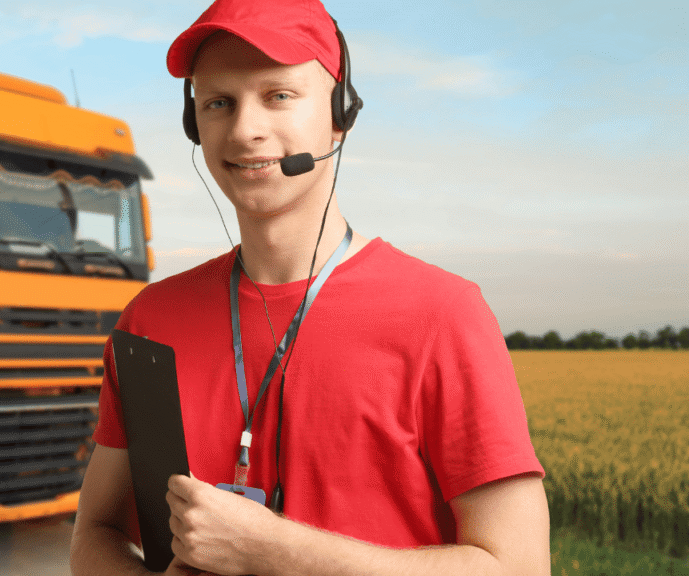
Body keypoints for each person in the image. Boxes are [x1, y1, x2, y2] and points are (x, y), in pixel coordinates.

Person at [70, 0, 550, 574]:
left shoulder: (442, 313)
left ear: (340, 114)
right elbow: (94, 535)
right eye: (218, 103)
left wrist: (272, 550)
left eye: (279, 96)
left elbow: (520, 566)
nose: (246, 130)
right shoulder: (151, 319)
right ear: (193, 124)